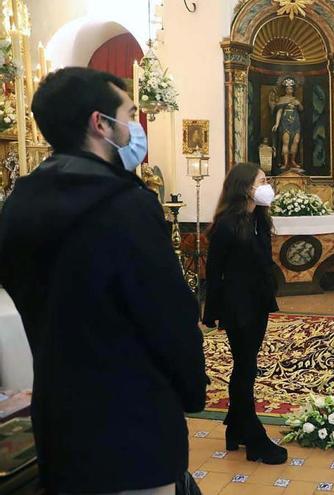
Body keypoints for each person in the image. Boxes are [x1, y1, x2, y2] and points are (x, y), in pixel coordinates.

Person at [0, 67, 207, 494]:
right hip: (133, 430)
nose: (135, 128)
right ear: (101, 123)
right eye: (129, 115)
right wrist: (191, 393)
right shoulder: (127, 208)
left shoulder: (18, 204)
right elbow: (170, 319)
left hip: (59, 424)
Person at [202, 163, 287, 464]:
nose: (267, 185)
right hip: (237, 303)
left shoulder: (258, 219)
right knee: (245, 366)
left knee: (247, 364)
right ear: (246, 187)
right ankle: (254, 437)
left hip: (257, 300)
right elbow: (214, 272)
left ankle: (235, 428)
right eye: (262, 181)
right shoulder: (227, 223)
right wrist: (211, 311)